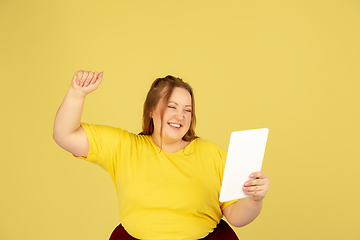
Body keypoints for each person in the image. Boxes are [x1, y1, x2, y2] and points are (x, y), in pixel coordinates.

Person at [53, 70, 270, 240]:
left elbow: (237, 217)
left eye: (187, 110)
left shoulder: (212, 153)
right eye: (171, 106)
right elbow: (65, 135)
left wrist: (255, 198)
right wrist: (76, 93)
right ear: (151, 109)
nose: (180, 116)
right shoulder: (124, 147)